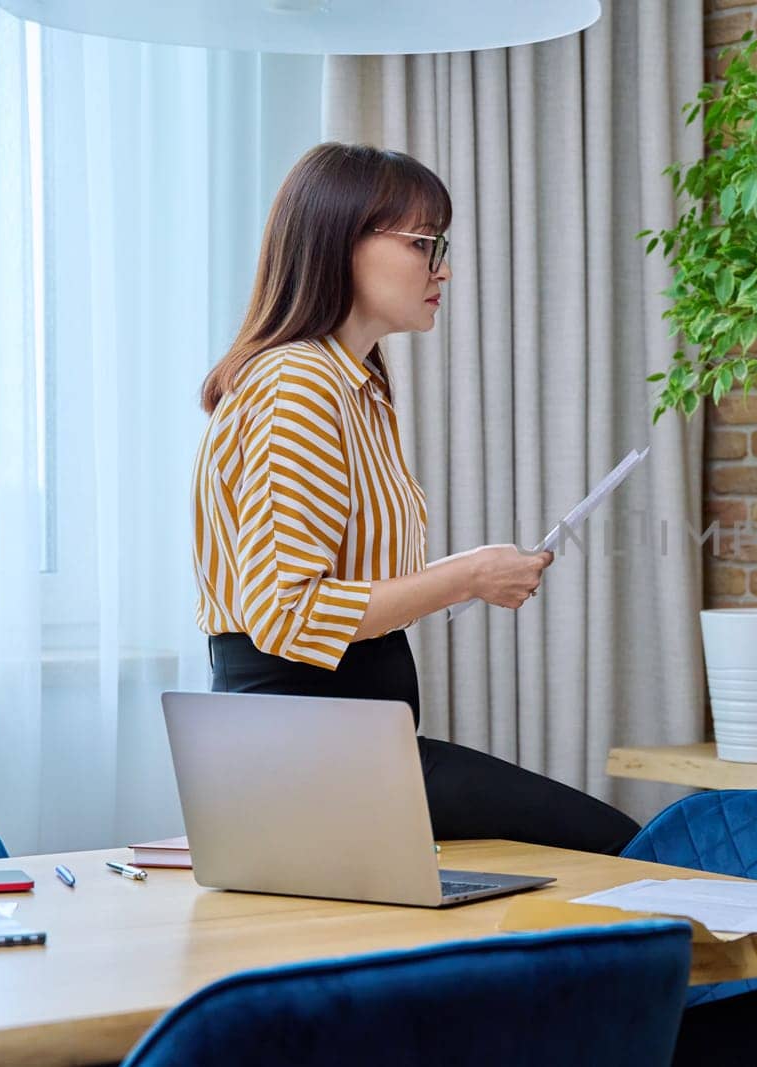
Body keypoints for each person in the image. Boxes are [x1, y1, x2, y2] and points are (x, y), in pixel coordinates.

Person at [191, 141, 639, 855]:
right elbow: (286, 613)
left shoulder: (355, 387)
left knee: (593, 852)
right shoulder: (300, 385)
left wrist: (462, 572)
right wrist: (464, 578)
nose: (444, 268)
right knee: (616, 844)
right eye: (425, 244)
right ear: (343, 243)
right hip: (311, 757)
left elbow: (333, 590)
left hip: (341, 748)